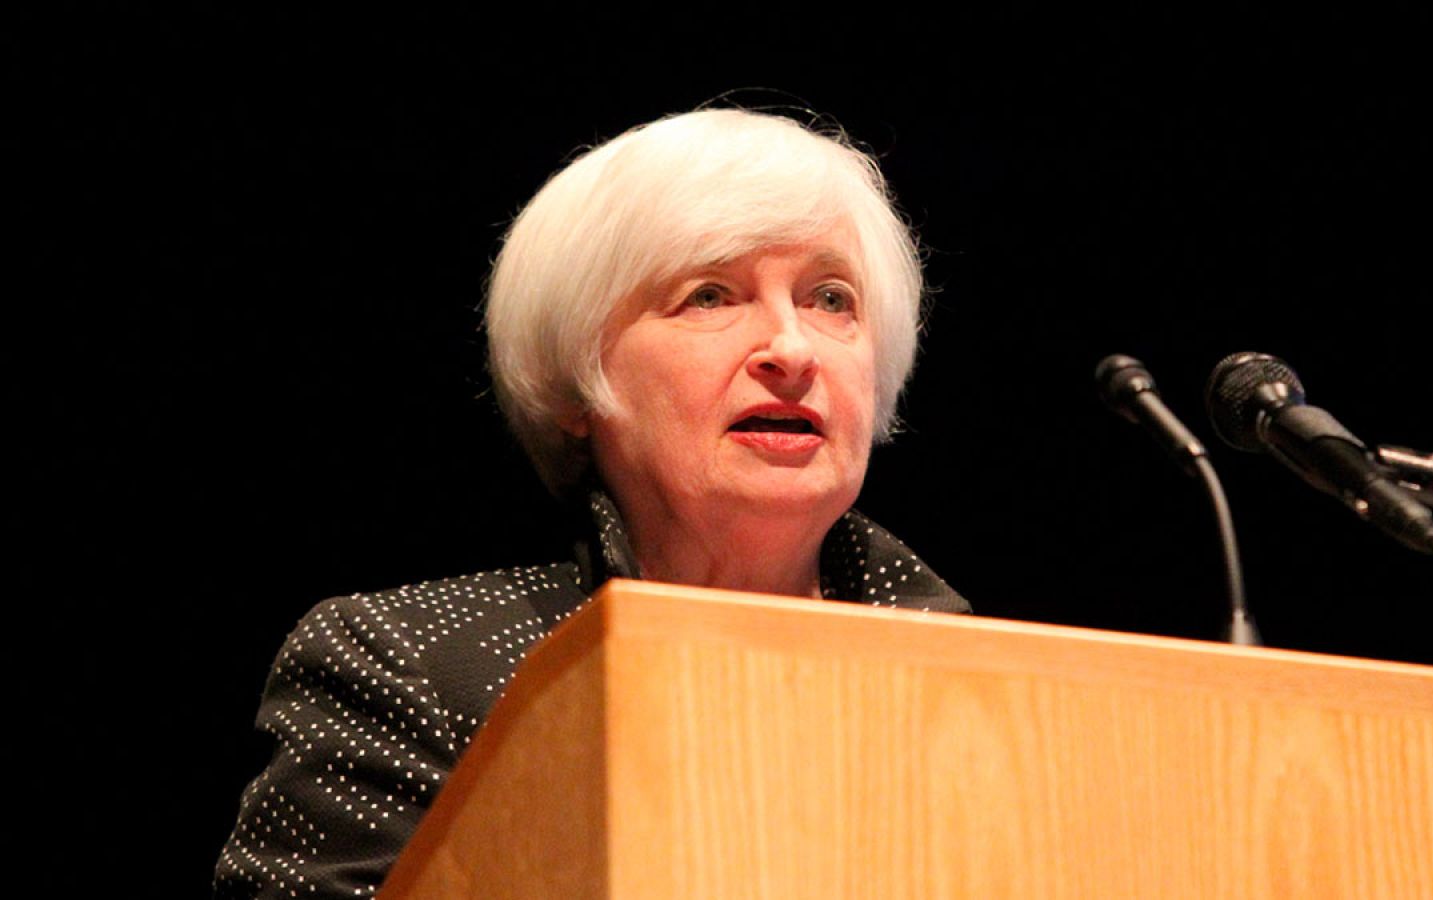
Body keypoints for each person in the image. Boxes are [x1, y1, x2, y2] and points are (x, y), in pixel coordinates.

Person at [214, 107, 970, 899]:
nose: (791, 348)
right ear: (576, 384)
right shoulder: (409, 667)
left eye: (831, 299)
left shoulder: (1001, 694)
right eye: (710, 296)